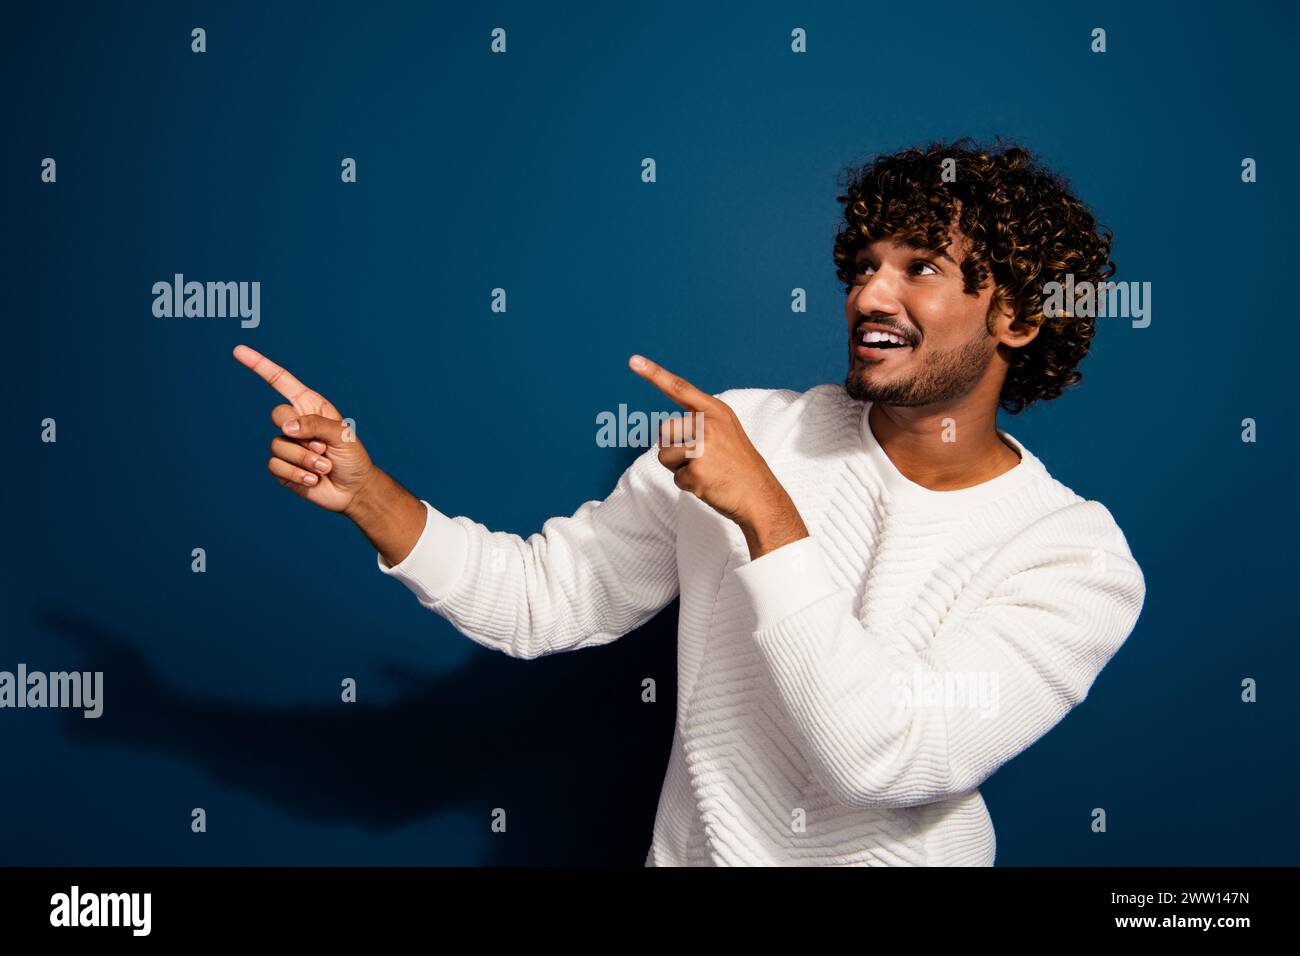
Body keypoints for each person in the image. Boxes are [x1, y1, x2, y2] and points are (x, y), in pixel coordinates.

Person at [233, 138, 1146, 866]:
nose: (869, 292)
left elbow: (890, 756)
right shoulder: (748, 429)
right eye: (864, 264)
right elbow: (543, 601)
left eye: (921, 268)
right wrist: (369, 494)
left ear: (1018, 319)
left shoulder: (1073, 557)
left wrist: (768, 515)